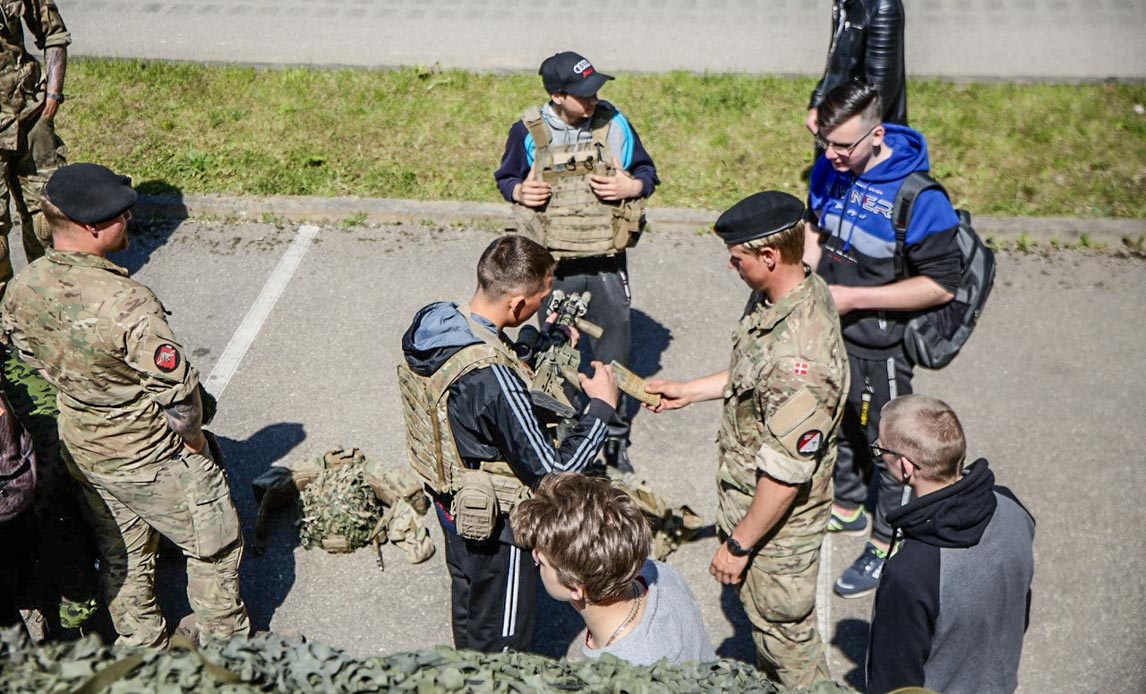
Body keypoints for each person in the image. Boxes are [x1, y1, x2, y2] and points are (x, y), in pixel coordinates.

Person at [0, 163, 249, 648]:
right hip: (149, 457)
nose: (129, 223)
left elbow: (29, 357)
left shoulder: (23, 287)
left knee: (124, 553)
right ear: (93, 227)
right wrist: (195, 443)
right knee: (215, 546)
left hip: (86, 449)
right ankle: (230, 652)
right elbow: (178, 396)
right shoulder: (128, 304)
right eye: (122, 216)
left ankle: (141, 647)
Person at [645, 192, 848, 687]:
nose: (731, 265)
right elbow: (753, 377)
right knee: (767, 640)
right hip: (754, 510)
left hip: (776, 534)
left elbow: (785, 474)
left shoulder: (802, 356)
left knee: (788, 647)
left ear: (769, 257)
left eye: (737, 257)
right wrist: (688, 392)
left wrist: (738, 545)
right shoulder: (783, 294)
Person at [399, 234, 618, 653]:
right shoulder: (494, 381)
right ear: (517, 304)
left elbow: (478, 384)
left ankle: (469, 666)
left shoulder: (438, 324)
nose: (542, 307)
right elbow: (554, 475)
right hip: (499, 527)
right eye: (540, 299)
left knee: (471, 601)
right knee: (504, 640)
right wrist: (600, 409)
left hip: (455, 506)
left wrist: (540, 348)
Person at [804, 81, 963, 599]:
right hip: (831, 330)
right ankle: (849, 507)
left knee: (889, 446)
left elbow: (940, 284)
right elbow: (815, 229)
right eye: (825, 142)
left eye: (843, 145)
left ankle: (885, 541)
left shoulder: (920, 197)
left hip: (882, 346)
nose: (831, 156)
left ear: (877, 134)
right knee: (842, 424)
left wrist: (853, 299)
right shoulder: (833, 163)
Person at [494, 50, 659, 472]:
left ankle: (615, 433)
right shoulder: (528, 130)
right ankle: (567, 434)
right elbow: (506, 177)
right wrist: (518, 192)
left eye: (595, 90)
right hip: (555, 266)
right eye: (583, 94)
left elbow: (647, 174)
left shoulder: (614, 123)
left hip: (606, 260)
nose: (593, 99)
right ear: (557, 95)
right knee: (556, 353)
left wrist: (631, 183)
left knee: (614, 349)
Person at [866, 394, 1035, 694]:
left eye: (880, 448)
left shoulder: (911, 573)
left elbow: (893, 682)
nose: (878, 453)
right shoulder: (1011, 506)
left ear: (905, 467)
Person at [511, 472, 715, 665]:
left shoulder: (628, 673)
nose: (535, 556)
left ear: (576, 589)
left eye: (543, 560)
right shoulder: (658, 572)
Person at [0, 0, 71, 286]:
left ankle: (47, 307)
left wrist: (52, 96)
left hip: (29, 119)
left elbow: (53, 33)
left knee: (50, 219)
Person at [805, 0, 907, 140]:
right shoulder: (847, 3)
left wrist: (842, 133)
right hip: (835, 119)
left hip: (858, 137)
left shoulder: (882, 6)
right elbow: (835, 65)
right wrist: (817, 106)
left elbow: (881, 90)